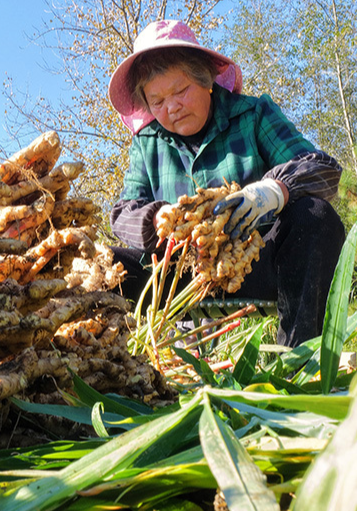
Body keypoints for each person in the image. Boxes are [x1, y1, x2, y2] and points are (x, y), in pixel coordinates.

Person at [107, 19, 344, 347]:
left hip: (253, 263)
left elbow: (320, 168)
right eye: (157, 101)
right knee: (103, 265)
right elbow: (122, 213)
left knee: (315, 216)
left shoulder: (252, 114)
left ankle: (298, 357)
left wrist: (271, 191)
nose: (172, 107)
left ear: (205, 80)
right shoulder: (148, 142)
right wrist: (159, 219)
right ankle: (121, 366)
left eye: (181, 90)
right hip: (180, 274)